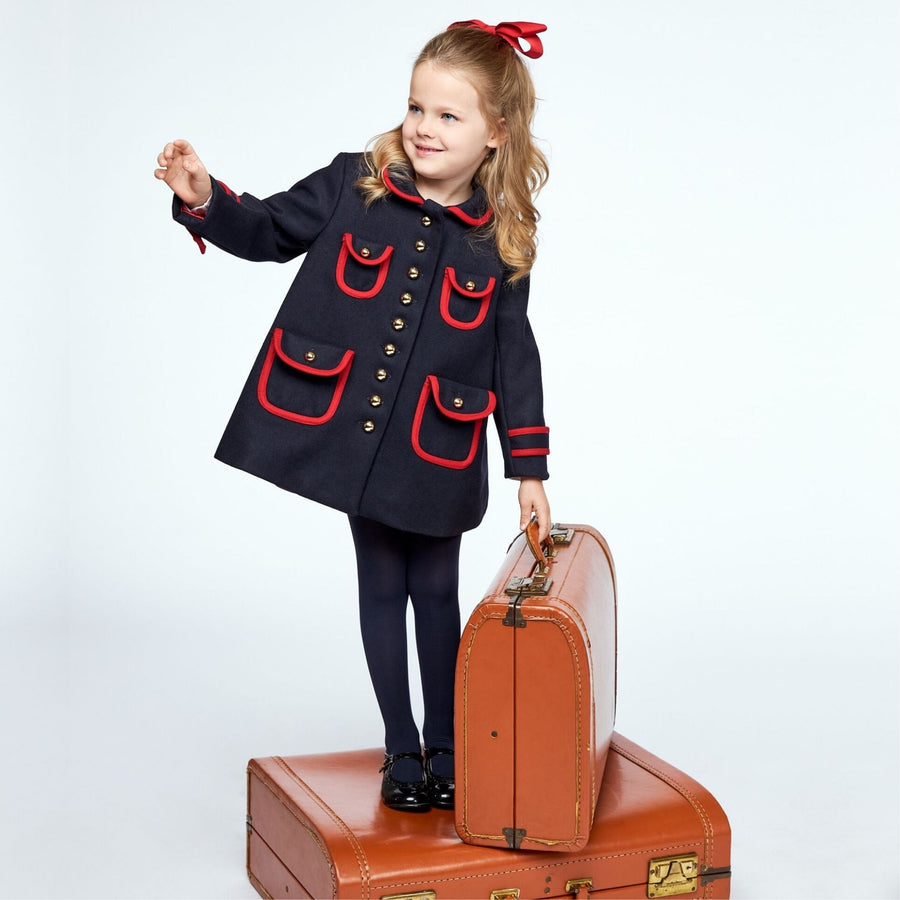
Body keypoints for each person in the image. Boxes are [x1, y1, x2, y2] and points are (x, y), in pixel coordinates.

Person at [154, 19, 552, 813]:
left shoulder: (504, 236)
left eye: (449, 116)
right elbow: (267, 231)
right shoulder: (351, 181)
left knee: (438, 592)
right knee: (381, 586)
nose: (424, 129)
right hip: (357, 443)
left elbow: (515, 355)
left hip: (437, 448)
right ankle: (401, 747)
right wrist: (204, 199)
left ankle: (447, 744)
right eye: (416, 108)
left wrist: (530, 469)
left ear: (497, 134)